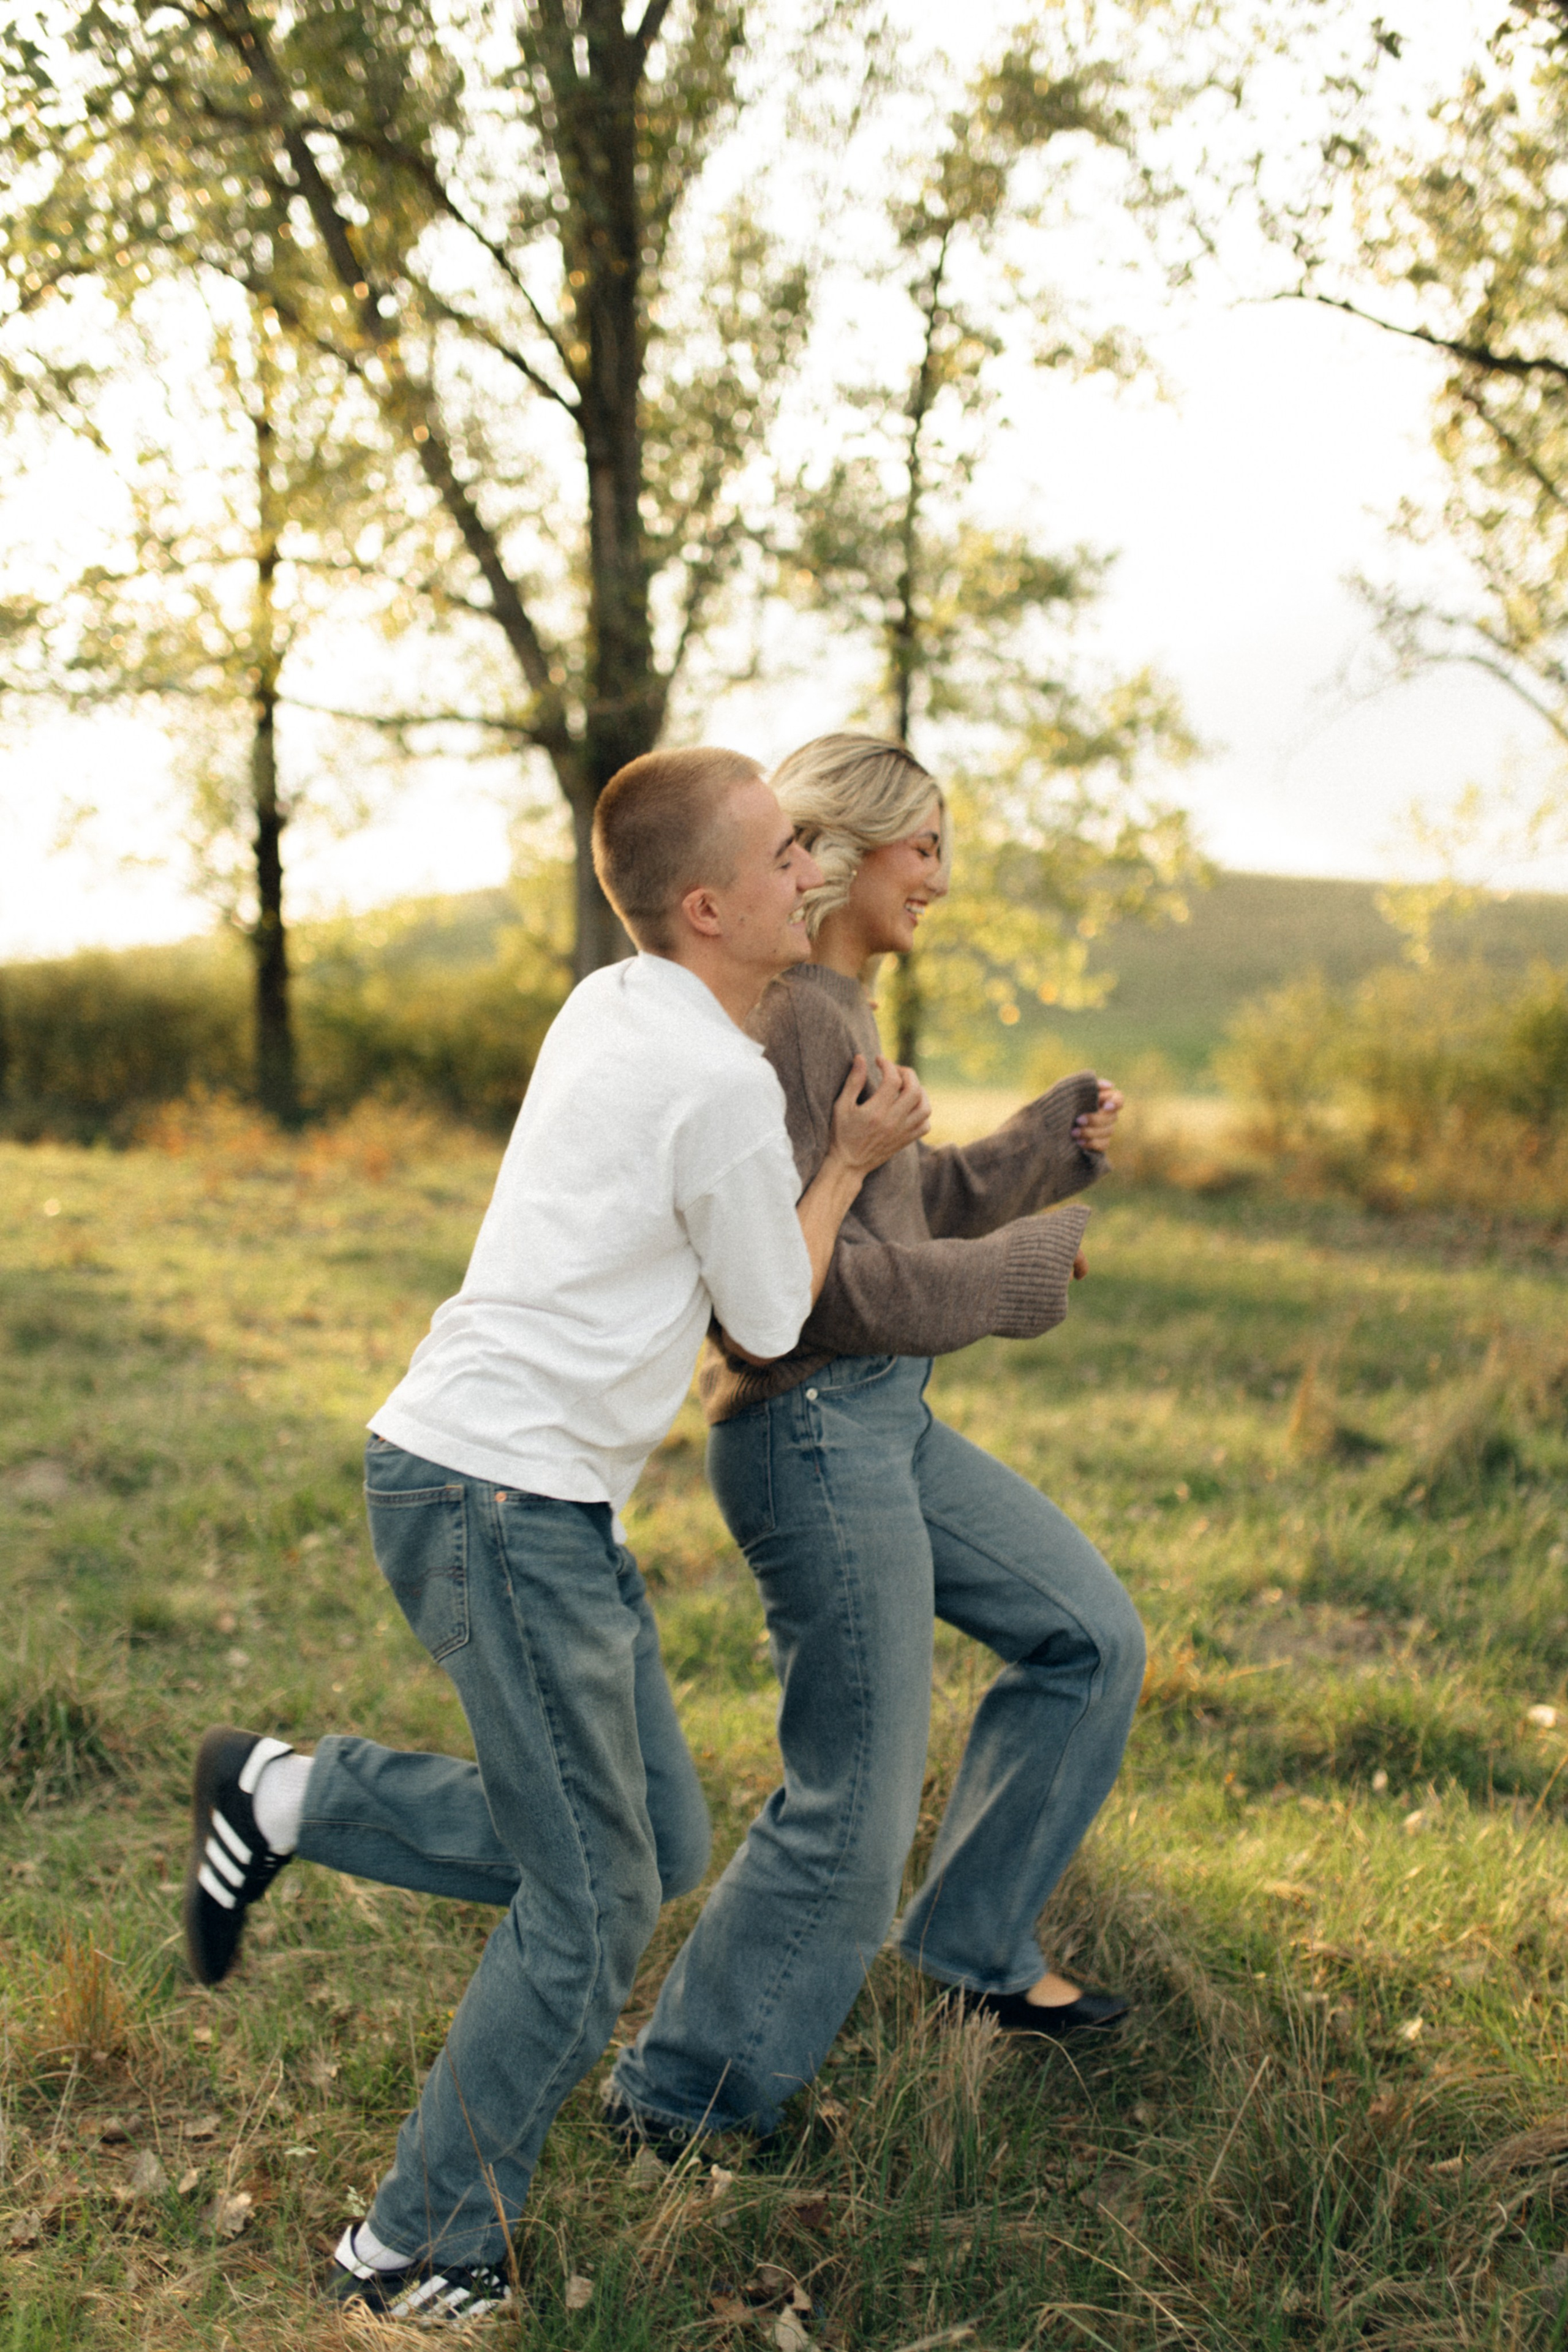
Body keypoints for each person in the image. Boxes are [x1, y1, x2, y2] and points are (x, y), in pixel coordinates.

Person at [179, 746, 930, 2323]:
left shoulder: (611, 999)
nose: (809, 868)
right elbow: (770, 1318)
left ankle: (288, 1793)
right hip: (498, 1496)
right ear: (706, 905)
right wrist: (850, 1164)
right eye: (779, 855)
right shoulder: (720, 1085)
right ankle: (414, 2245)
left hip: (499, 1487)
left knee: (651, 1844)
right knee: (591, 1902)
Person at [605, 733, 1145, 2159]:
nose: (941, 882)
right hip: (811, 1431)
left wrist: (1046, 1143)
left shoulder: (836, 1010)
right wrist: (1022, 1272)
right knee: (849, 1802)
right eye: (925, 850)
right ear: (852, 850)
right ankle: (679, 2101)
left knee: (1086, 1639)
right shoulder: (793, 1023)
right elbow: (814, 1300)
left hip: (885, 1422)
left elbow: (903, 1204)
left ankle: (970, 1948)